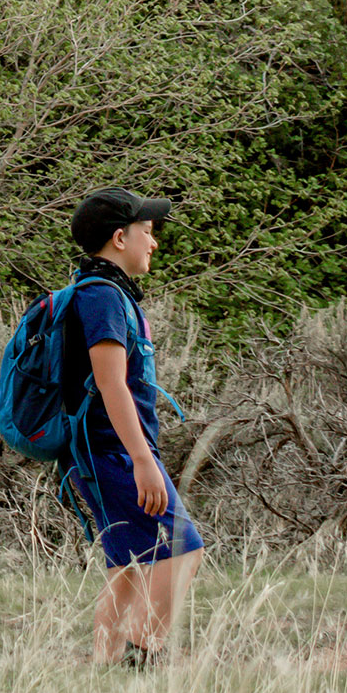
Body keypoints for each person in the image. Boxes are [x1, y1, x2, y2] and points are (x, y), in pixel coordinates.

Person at [64, 187, 205, 666]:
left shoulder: (106, 293)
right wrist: (143, 460)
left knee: (127, 568)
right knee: (184, 547)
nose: (154, 242)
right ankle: (142, 658)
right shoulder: (102, 297)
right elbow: (110, 385)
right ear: (120, 238)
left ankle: (105, 674)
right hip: (112, 452)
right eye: (148, 232)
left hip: (102, 452)